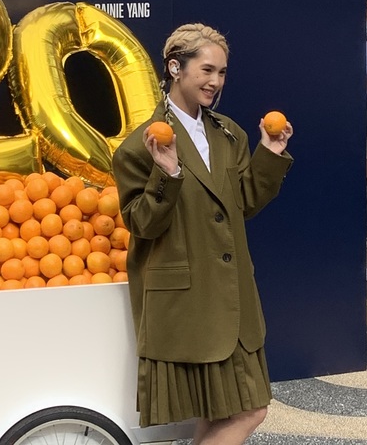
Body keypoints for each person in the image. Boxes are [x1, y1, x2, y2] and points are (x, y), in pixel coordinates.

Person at [112, 23, 293, 444]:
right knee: (250, 411)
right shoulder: (140, 147)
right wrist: (168, 173)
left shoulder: (229, 134)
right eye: (207, 70)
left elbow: (244, 203)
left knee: (228, 412)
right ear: (175, 68)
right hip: (186, 303)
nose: (216, 81)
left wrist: (269, 155)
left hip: (232, 298)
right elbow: (141, 224)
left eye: (222, 72)